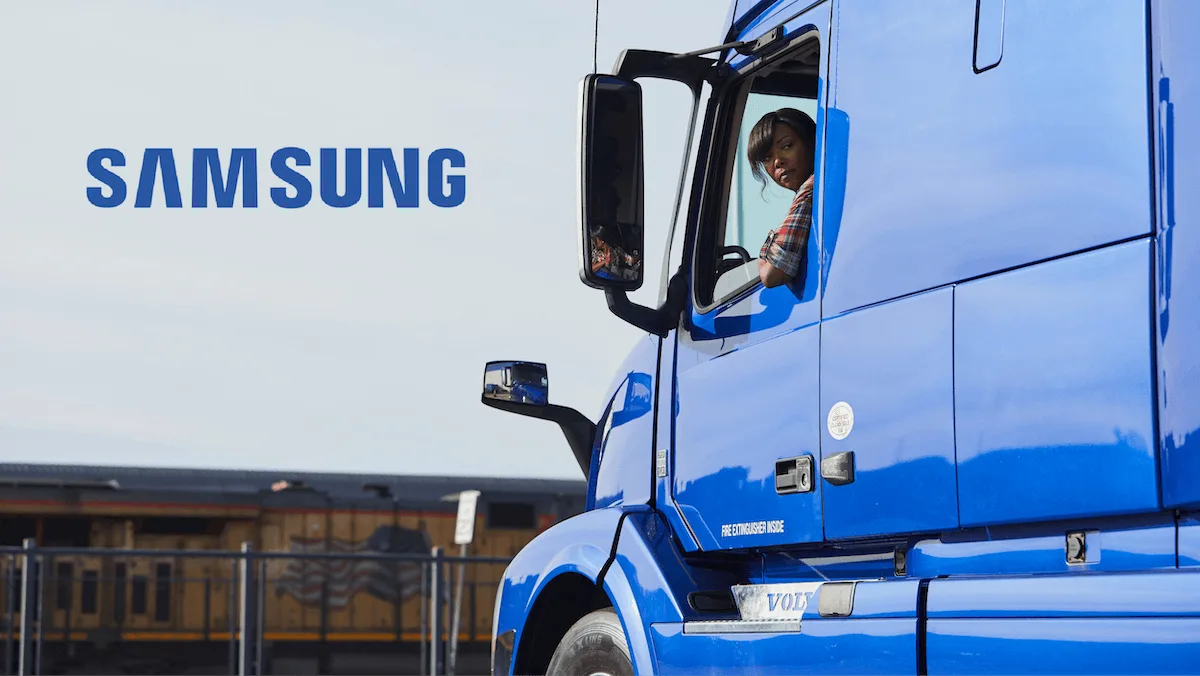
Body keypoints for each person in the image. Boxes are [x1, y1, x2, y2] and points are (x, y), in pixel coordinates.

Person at [747, 108, 817, 288]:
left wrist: (764, 258)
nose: (778, 161)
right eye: (767, 157)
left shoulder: (812, 189)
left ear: (811, 141)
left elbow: (773, 274)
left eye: (787, 146)